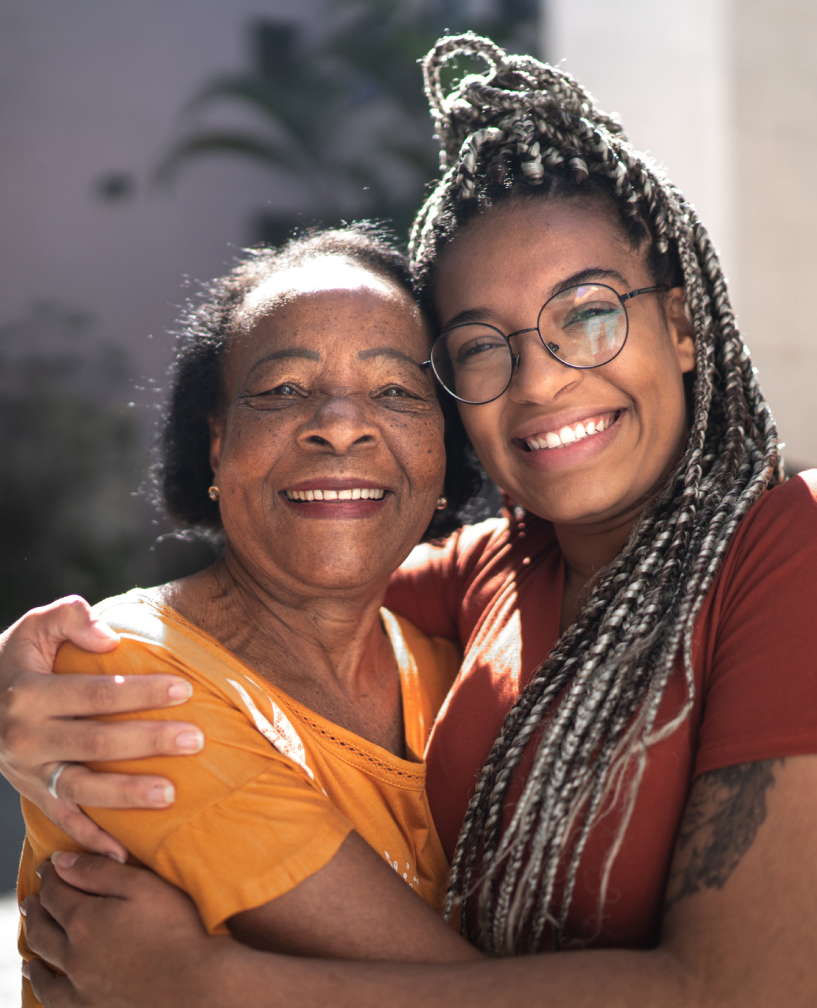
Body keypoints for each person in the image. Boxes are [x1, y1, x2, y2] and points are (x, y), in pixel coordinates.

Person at [7, 33, 817, 1006]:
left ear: (686, 324)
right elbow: (270, 597)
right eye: (481, 345)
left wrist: (216, 984)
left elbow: (759, 988)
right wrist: (47, 675)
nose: (539, 377)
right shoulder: (491, 574)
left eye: (589, 312)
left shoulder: (795, 544)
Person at [14, 224, 492, 1007]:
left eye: (397, 392)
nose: (339, 423)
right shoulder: (117, 671)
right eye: (282, 391)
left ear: (445, 453)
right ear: (216, 446)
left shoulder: (459, 679)